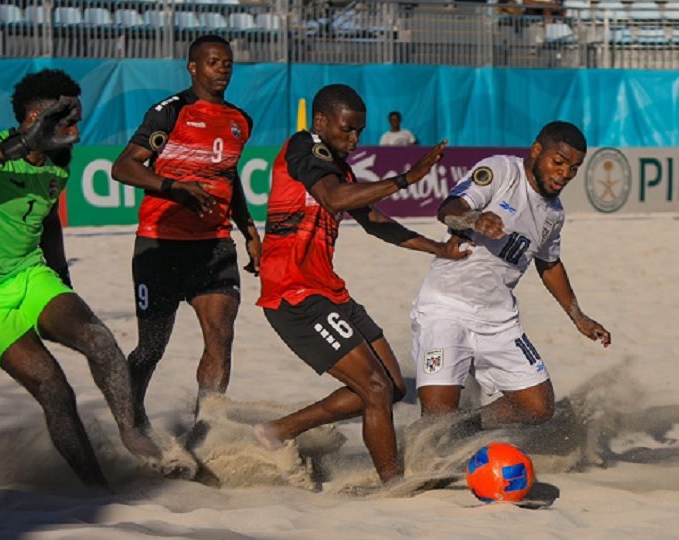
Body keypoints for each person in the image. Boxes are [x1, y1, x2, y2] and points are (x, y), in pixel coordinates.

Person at [0, 69, 161, 489]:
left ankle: (132, 434)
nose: (77, 130)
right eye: (68, 120)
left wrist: (60, 279)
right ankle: (97, 489)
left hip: (29, 275)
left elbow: (48, 218)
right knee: (54, 388)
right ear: (36, 118)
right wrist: (22, 144)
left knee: (99, 340)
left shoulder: (59, 164)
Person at [252, 84, 468, 484]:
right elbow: (333, 198)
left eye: (359, 132)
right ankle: (394, 485)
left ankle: (279, 430)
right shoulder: (303, 146)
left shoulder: (342, 171)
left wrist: (439, 248)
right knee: (375, 388)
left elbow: (377, 223)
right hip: (294, 295)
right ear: (321, 122)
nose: (354, 139)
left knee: (391, 387)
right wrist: (406, 179)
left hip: (329, 292)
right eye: (347, 129)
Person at [410, 121, 611, 430]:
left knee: (538, 408)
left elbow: (549, 264)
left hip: (498, 320)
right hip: (445, 308)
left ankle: (467, 427)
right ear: (537, 150)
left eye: (574, 168)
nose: (565, 174)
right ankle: (441, 436)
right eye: (559, 162)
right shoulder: (501, 170)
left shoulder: (554, 213)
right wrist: (474, 219)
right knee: (437, 422)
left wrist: (578, 316)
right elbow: (448, 210)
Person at [111, 35, 261, 431]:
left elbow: (229, 176)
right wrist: (173, 187)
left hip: (213, 246)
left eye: (228, 62)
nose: (223, 69)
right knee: (151, 348)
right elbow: (123, 167)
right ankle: (131, 421)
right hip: (160, 245)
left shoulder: (241, 120)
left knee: (220, 336)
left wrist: (248, 230)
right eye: (213, 62)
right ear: (193, 67)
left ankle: (205, 429)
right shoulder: (170, 112)